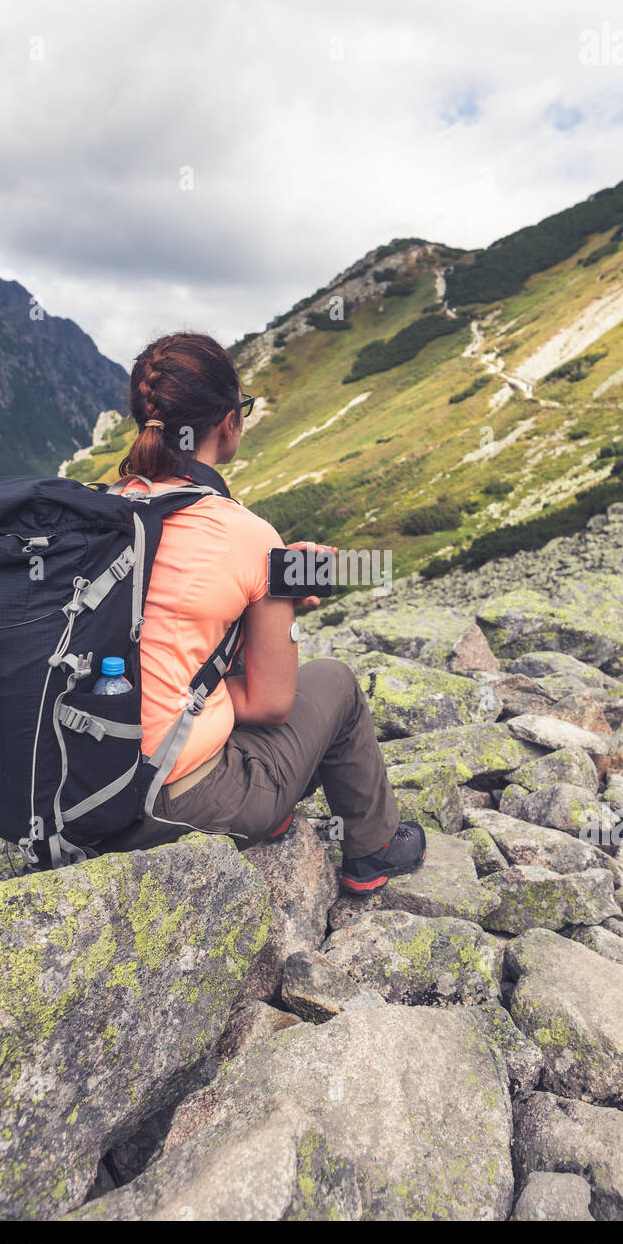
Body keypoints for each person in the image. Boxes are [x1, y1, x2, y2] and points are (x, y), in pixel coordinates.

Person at [112, 331, 426, 893]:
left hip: (82, 784)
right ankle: (374, 851)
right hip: (166, 805)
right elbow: (272, 705)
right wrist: (278, 596)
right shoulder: (246, 535)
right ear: (228, 422)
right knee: (336, 683)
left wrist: (262, 599)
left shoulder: (102, 510)